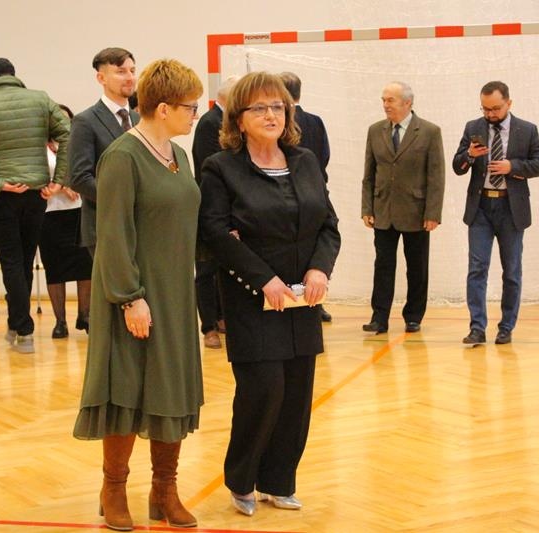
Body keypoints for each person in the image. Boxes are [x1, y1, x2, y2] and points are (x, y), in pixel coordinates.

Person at [199, 72, 340, 516]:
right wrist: (263, 278)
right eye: (259, 108)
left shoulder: (305, 161)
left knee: (296, 396)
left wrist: (319, 268)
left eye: (278, 107)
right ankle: (242, 479)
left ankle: (279, 481)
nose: (271, 115)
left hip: (302, 300)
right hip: (253, 299)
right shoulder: (221, 167)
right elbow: (215, 232)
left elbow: (328, 224)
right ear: (238, 119)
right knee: (263, 392)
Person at [73, 58, 204, 531]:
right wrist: (131, 297)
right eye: (190, 107)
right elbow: (112, 234)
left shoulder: (180, 155)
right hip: (133, 294)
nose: (196, 115)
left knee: (170, 388)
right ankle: (113, 489)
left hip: (175, 292)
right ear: (163, 108)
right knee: (126, 391)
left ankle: (164, 489)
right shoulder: (122, 157)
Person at [0, 58, 70, 354]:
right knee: (25, 259)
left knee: (11, 260)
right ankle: (16, 322)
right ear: (13, 76)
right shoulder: (40, 99)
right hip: (36, 192)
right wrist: (57, 181)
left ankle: (24, 329)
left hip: (1, 196)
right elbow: (69, 134)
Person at [452, 81, 539, 345]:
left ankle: (506, 327)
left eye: (495, 108)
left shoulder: (527, 130)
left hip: (511, 209)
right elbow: (458, 167)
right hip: (480, 208)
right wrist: (469, 155)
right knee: (477, 268)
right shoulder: (473, 127)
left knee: (512, 271)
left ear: (509, 103)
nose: (490, 114)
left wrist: (512, 166)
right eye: (485, 109)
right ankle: (477, 328)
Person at [361, 81, 445, 334]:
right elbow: (369, 174)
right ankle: (379, 318)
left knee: (417, 267)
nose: (385, 105)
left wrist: (433, 213)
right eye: (383, 100)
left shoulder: (429, 131)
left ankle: (413, 316)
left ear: (407, 102)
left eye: (391, 100)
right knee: (383, 266)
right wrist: (367, 207)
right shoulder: (375, 130)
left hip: (416, 213)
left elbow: (436, 176)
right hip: (383, 211)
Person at [68, 47, 138, 258]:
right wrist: (123, 199)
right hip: (105, 224)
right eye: (121, 72)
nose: (130, 77)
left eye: (132, 70)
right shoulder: (85, 121)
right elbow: (79, 178)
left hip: (140, 224)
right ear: (101, 78)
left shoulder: (139, 120)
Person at [280, 71, 333, 322]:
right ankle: (317, 301)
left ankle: (294, 296)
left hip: (289, 194)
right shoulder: (316, 121)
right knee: (316, 247)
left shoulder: (284, 122)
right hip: (316, 191)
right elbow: (325, 155)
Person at [191, 75, 237, 349]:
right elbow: (209, 167)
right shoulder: (210, 123)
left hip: (226, 208)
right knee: (206, 269)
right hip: (209, 208)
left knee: (223, 266)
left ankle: (221, 318)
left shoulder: (227, 121)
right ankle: (208, 326)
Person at [39, 104, 92, 339]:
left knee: (84, 265)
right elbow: (37, 178)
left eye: (67, 119)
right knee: (55, 269)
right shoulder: (39, 147)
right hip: (50, 214)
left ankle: (85, 315)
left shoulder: (78, 145)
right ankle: (60, 321)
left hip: (79, 212)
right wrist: (61, 187)